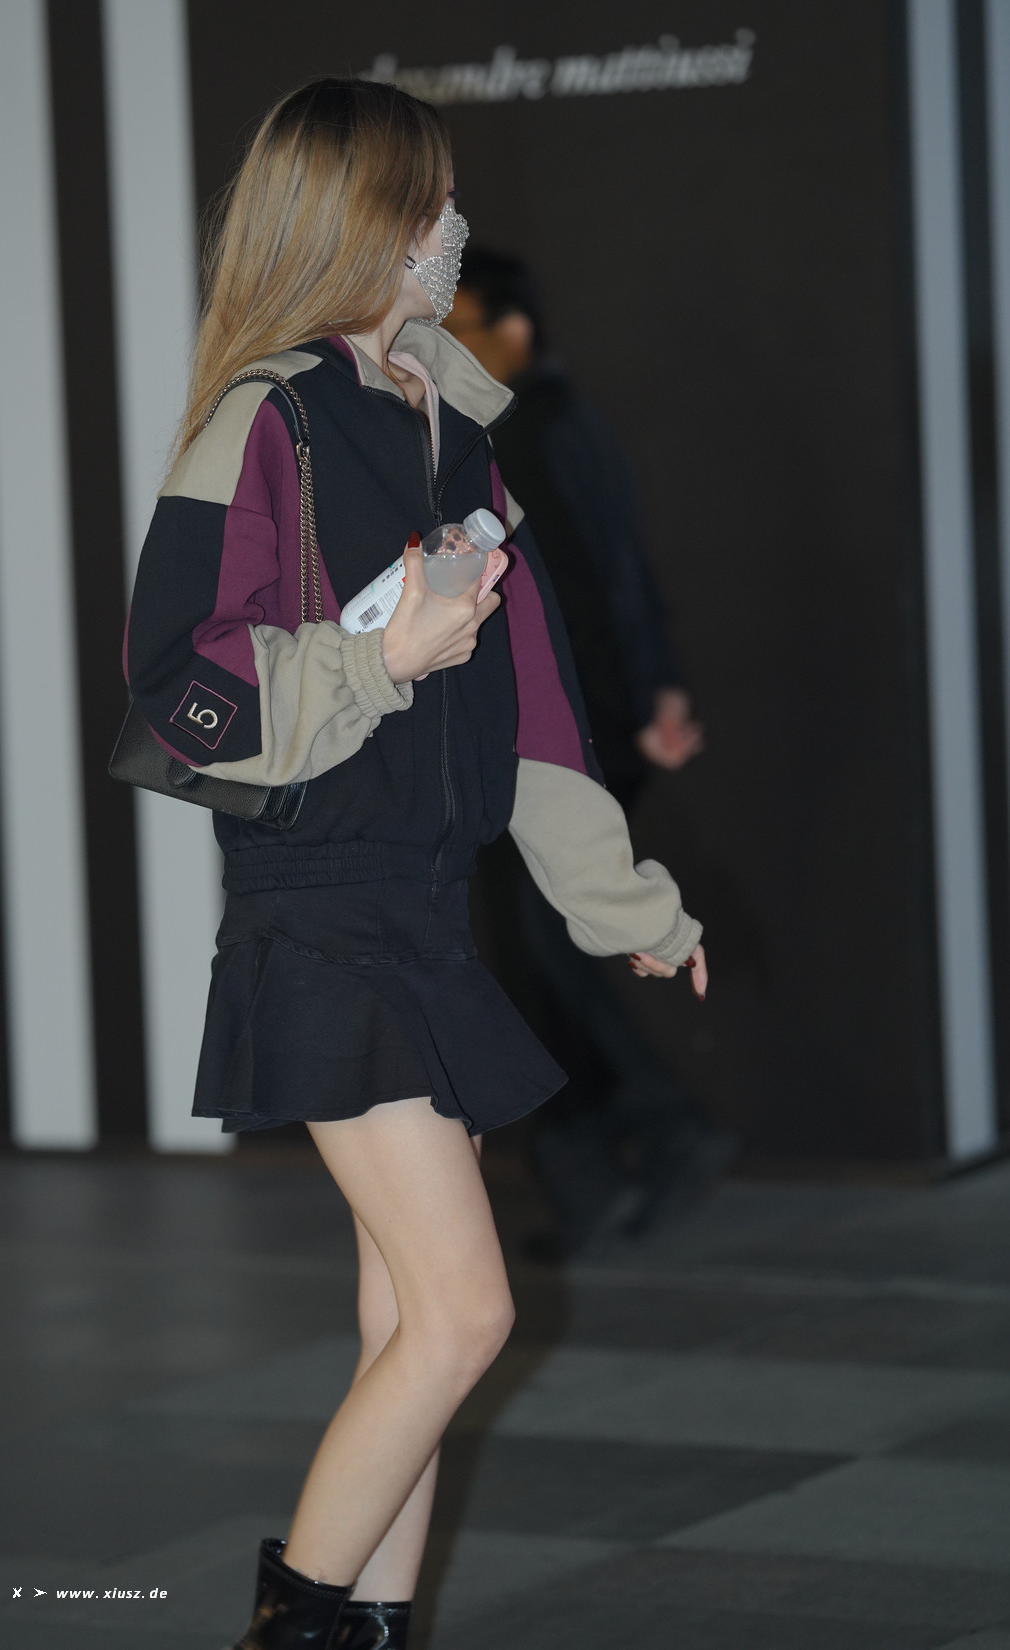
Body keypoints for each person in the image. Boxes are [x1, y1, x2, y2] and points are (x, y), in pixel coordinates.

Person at [123, 79, 705, 1650]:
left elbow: (539, 713)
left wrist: (624, 906)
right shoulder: (269, 418)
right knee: (466, 1312)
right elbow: (177, 685)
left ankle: (369, 1633)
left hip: (424, 915)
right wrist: (382, 656)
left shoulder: (456, 431)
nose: (455, 229)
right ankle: (294, 1630)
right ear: (373, 222)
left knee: (408, 1322)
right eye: (433, 201)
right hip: (320, 920)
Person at [447, 251, 732, 1257]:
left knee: (544, 947)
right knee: (535, 953)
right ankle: (588, 1165)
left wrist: (650, 697)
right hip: (552, 726)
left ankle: (651, 1128)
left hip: (563, 733)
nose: (441, 344)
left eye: (460, 325)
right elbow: (618, 571)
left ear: (513, 333)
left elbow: (603, 575)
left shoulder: (540, 428)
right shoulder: (527, 427)